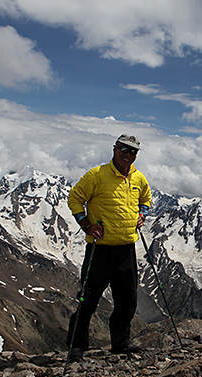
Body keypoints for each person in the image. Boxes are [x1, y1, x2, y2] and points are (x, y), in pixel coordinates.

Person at [66, 134, 152, 362]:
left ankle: (120, 344)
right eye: (124, 149)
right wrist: (85, 224)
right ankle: (76, 346)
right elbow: (75, 198)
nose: (128, 154)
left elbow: (146, 199)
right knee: (89, 298)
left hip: (126, 248)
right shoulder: (97, 175)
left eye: (133, 151)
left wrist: (142, 214)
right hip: (100, 249)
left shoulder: (139, 179)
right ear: (115, 149)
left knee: (127, 300)